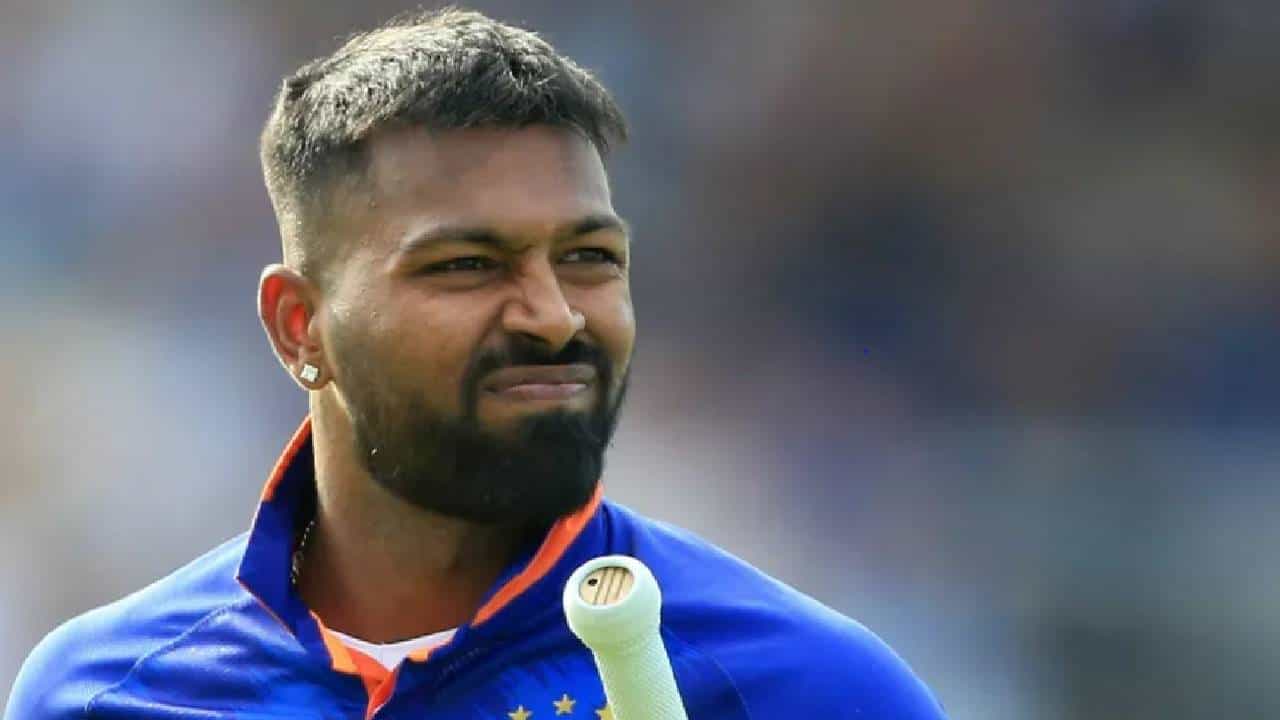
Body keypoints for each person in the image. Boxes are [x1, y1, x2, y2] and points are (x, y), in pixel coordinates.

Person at [5, 8, 946, 719]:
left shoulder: (808, 689)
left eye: (589, 258)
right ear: (299, 327)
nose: (553, 315)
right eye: (466, 265)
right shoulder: (101, 693)